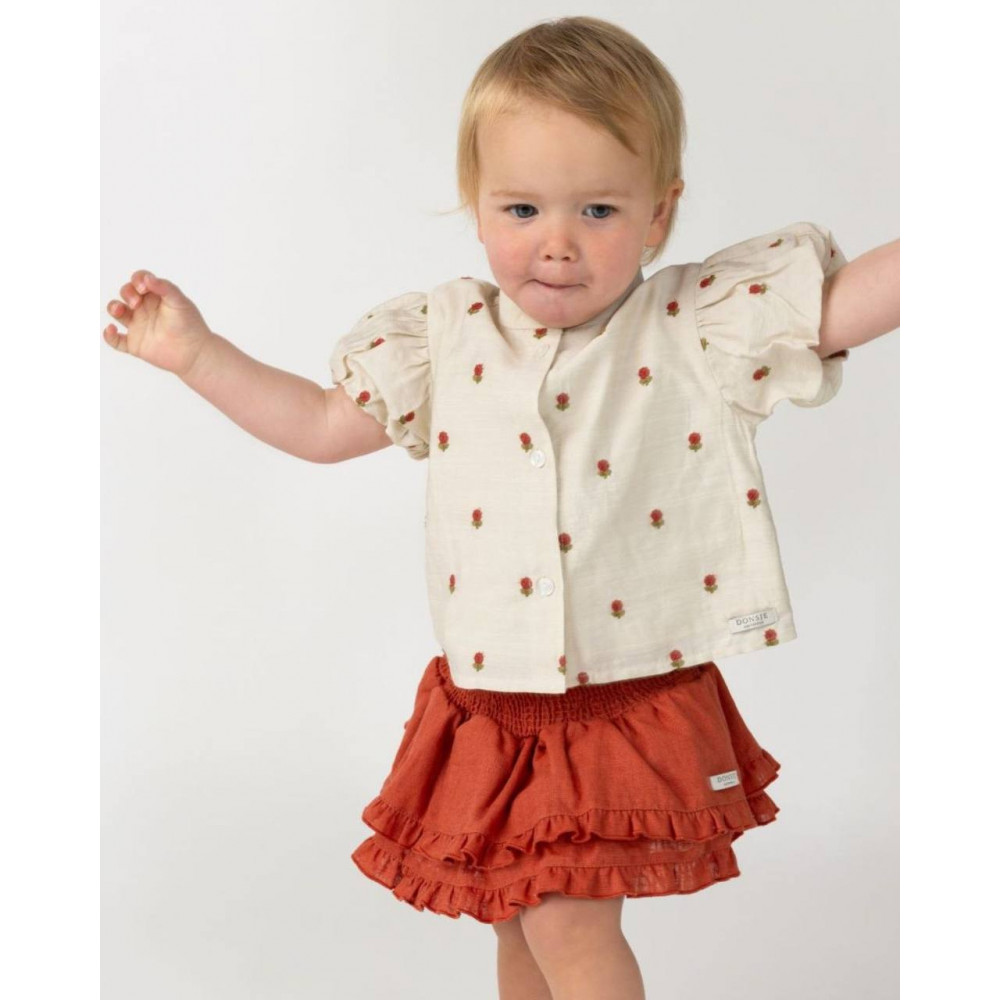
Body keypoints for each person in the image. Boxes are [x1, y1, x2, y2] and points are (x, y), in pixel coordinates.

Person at [103, 15, 899, 1000]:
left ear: (659, 214)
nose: (556, 244)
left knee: (564, 924)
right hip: (489, 703)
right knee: (519, 925)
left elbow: (841, 304)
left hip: (606, 703)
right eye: (522, 208)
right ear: (476, 205)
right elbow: (317, 424)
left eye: (598, 210)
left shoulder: (690, 325)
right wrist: (198, 356)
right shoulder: (442, 336)